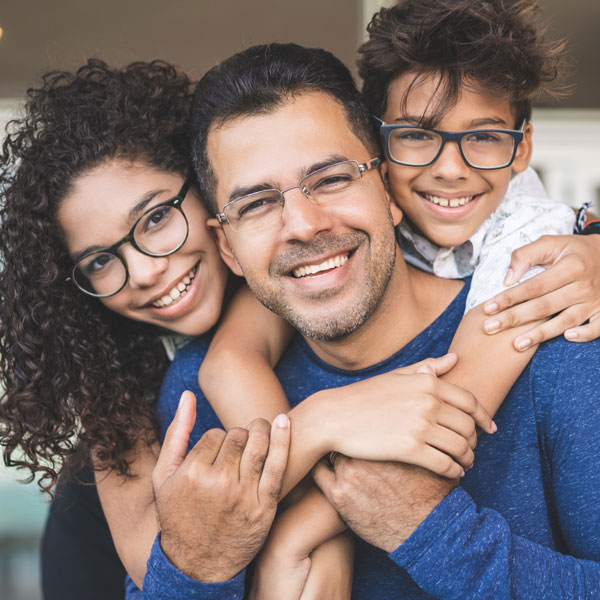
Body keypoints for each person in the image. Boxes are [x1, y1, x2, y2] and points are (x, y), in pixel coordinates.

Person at [0, 57, 490, 598]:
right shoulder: (118, 407)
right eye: (99, 262)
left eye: (156, 218)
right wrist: (321, 425)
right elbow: (175, 574)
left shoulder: (289, 292)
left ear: (209, 193)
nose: (142, 271)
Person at [143, 41, 600, 598]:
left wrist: (435, 532)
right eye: (256, 204)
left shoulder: (559, 337)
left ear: (387, 189)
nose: (304, 226)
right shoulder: (198, 395)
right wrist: (201, 560)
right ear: (228, 248)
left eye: (332, 178)